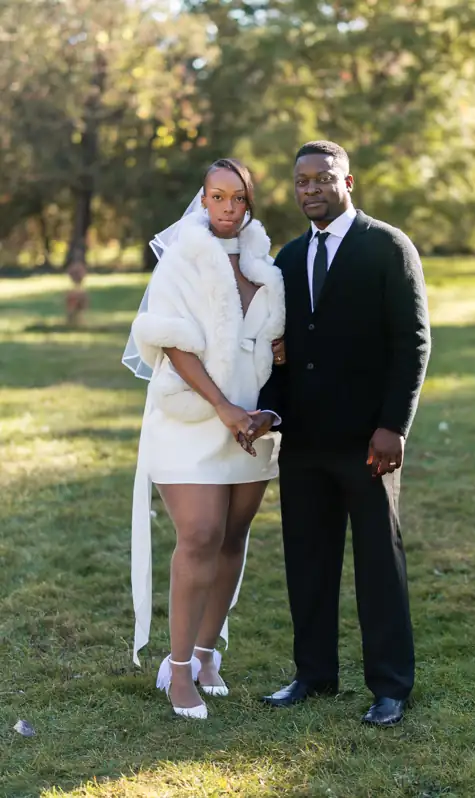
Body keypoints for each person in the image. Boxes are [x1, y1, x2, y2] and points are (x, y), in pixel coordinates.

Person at [255, 140, 431, 726]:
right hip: (302, 443)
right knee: (307, 560)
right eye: (301, 180)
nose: (310, 189)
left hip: (368, 443)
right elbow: (279, 349)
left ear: (347, 182)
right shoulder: (287, 256)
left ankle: (390, 686)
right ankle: (314, 675)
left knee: (379, 564)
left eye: (322, 179)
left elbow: (413, 342)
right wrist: (270, 412)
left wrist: (393, 426)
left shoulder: (388, 246)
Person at [123, 158, 285, 720]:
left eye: (237, 198)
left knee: (233, 537)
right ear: (203, 198)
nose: (226, 208)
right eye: (216, 197)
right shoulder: (181, 257)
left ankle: (205, 650)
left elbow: (269, 337)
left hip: (251, 427)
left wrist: (273, 362)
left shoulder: (265, 262)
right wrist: (223, 408)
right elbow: (171, 342)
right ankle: (177, 669)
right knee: (199, 534)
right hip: (193, 417)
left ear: (249, 203)